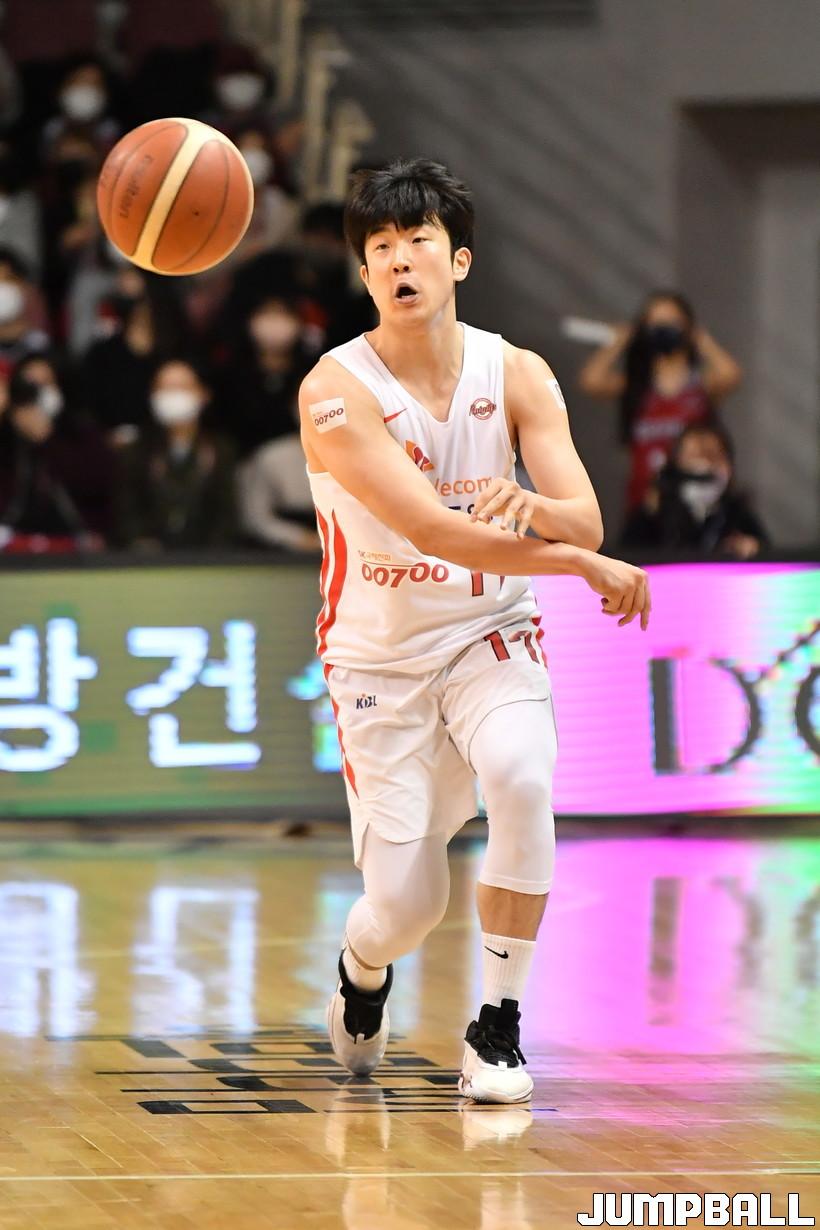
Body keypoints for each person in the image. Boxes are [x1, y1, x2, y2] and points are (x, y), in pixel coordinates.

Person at [299, 158, 651, 1103]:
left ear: (458, 260)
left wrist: (538, 514)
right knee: (407, 909)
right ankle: (362, 969)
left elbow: (585, 517)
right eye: (379, 249)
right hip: (379, 663)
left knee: (525, 780)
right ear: (365, 275)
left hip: (490, 633)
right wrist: (575, 562)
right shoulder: (335, 391)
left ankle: (498, 1026)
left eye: (417, 241)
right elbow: (434, 530)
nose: (398, 260)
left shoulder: (519, 373)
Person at [578, 290, 742, 519]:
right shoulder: (637, 387)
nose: (663, 330)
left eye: (671, 322)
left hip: (696, 503)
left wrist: (701, 340)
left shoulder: (700, 385)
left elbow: (731, 375)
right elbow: (591, 381)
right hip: (645, 503)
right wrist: (620, 341)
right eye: (655, 324)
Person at [116, 357, 236, 550]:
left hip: (207, 556)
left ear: (204, 394)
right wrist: (140, 542)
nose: (173, 395)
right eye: (165, 388)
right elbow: (127, 510)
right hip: (148, 558)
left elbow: (227, 513)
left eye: (182, 387)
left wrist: (214, 552)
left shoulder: (221, 450)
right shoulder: (136, 451)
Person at [0, 352, 111, 551]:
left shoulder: (81, 432)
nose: (36, 393)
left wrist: (47, 440)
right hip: (11, 540)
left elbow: (95, 486)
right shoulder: (6, 437)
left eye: (45, 383)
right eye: (29, 386)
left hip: (76, 540)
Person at [621, 421, 768, 558]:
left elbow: (768, 553)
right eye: (693, 457)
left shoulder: (737, 515)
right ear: (675, 467)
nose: (704, 466)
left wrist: (755, 549)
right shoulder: (653, 514)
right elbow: (625, 556)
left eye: (714, 457)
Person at [236, 433, 321, 552]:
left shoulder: (346, 452)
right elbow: (256, 520)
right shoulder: (271, 457)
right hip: (283, 551)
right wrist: (299, 538)